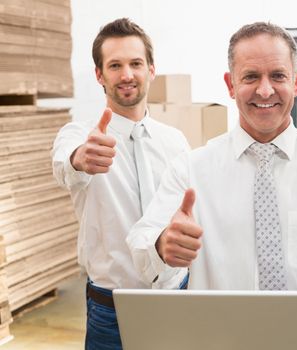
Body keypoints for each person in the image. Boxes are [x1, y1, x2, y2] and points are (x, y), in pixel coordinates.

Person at [127, 21, 297, 332]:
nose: (265, 90)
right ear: (230, 84)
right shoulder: (191, 171)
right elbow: (142, 257)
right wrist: (161, 245)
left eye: (278, 76)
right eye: (250, 77)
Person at [52, 18, 190, 350]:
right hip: (111, 310)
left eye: (135, 64)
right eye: (115, 65)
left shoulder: (176, 143)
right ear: (99, 75)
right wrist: (82, 158)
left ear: (151, 70)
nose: (126, 74)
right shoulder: (80, 135)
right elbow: (64, 164)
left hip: (176, 298)